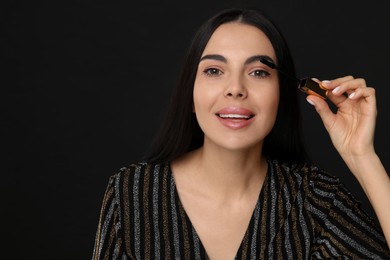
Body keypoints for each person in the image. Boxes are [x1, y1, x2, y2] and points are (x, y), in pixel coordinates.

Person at [92, 7, 390, 259]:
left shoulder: (316, 201)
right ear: (190, 95)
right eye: (213, 71)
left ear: (281, 96)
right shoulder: (131, 192)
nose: (235, 88)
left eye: (259, 72)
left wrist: (361, 155)